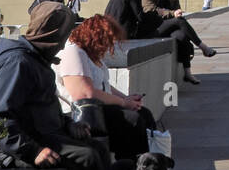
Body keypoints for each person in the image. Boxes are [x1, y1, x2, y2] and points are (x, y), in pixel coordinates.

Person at [0, 2, 118, 170]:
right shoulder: (18, 62)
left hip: (43, 135)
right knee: (88, 157)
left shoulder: (35, 60)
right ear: (52, 35)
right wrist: (32, 151)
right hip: (19, 147)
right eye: (63, 36)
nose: (65, 43)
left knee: (99, 148)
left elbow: (41, 109)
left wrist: (67, 124)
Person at [56, 14, 157, 161]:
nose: (110, 47)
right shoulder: (73, 52)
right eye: (108, 41)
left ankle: (148, 162)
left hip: (99, 109)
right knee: (132, 120)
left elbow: (104, 85)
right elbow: (84, 93)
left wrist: (126, 98)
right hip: (80, 115)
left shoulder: (90, 54)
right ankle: (131, 168)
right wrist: (123, 103)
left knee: (143, 113)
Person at [139, 0, 216, 84]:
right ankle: (203, 47)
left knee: (182, 37)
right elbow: (149, 10)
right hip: (154, 28)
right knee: (179, 20)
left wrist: (173, 13)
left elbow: (177, 10)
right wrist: (171, 13)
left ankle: (187, 73)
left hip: (169, 27)